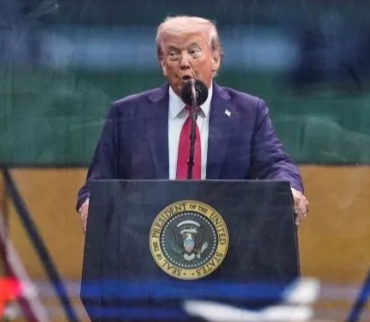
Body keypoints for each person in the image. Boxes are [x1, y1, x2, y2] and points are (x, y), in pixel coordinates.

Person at [76, 15, 310, 231]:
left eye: (194, 52)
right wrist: (91, 203)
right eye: (174, 54)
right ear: (162, 62)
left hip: (229, 249)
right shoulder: (126, 115)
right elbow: (97, 184)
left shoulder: (248, 112)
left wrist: (288, 189)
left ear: (216, 58)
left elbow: (276, 164)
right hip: (145, 254)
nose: (184, 63)